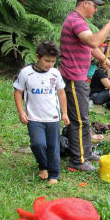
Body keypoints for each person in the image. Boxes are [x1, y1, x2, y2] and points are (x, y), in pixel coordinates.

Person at [60, 0, 110, 172]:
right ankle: (77, 161)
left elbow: (90, 48)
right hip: (72, 77)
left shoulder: (80, 22)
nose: (95, 10)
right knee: (78, 120)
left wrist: (107, 62)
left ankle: (86, 153)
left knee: (84, 118)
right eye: (94, 6)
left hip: (80, 78)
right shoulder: (75, 21)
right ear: (85, 3)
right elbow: (94, 41)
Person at [13, 41, 70, 186]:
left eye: (53, 61)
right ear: (37, 56)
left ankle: (54, 174)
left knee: (53, 146)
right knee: (38, 144)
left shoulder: (55, 73)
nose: (50, 64)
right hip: (34, 118)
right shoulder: (26, 73)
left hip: (53, 117)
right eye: (46, 60)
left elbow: (61, 93)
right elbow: (18, 92)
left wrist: (64, 113)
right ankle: (43, 165)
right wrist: (21, 112)